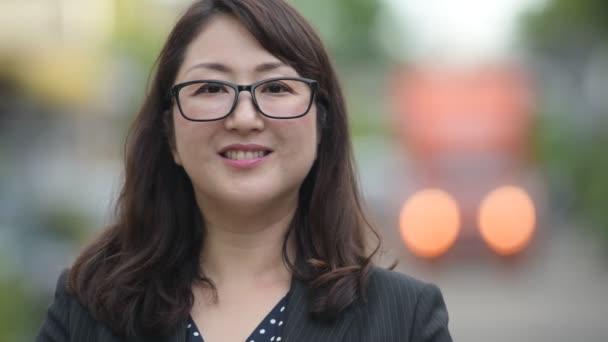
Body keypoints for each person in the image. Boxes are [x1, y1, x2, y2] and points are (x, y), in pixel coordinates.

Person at [36, 0, 452, 341]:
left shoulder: (404, 319)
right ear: (170, 133)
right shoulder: (87, 308)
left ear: (322, 125)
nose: (244, 117)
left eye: (275, 87)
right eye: (211, 88)